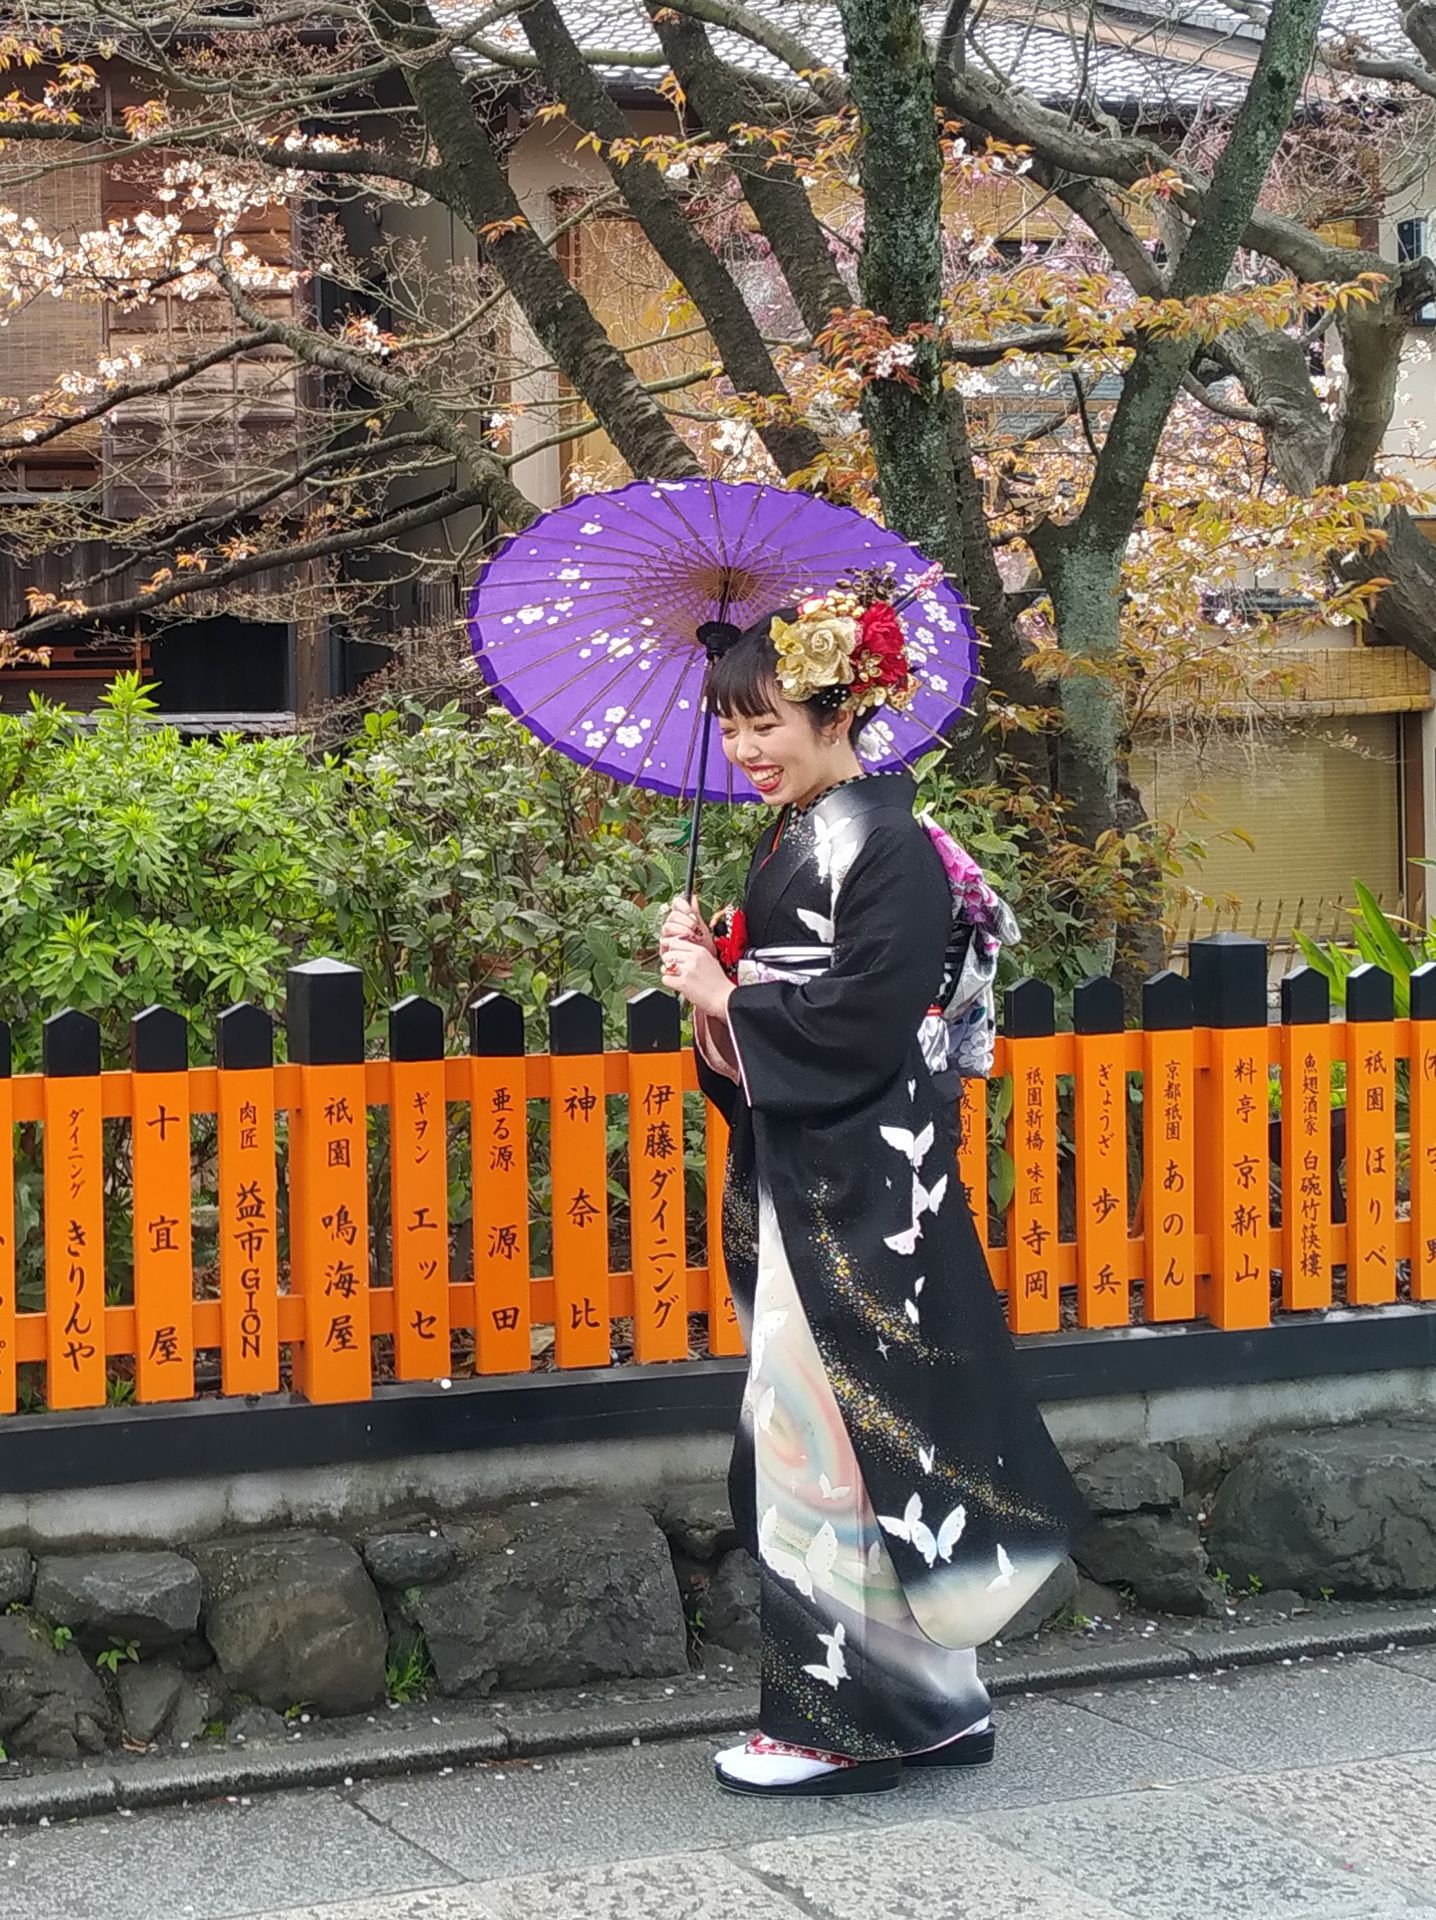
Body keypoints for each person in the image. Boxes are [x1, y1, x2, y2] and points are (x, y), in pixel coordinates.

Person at [658, 580, 1086, 1801]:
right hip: (822, 1175)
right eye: (729, 727)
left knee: (824, 1445)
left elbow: (862, 1022)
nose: (744, 749)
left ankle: (835, 1726)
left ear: (837, 711)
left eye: (765, 723)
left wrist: (727, 995)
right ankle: (933, 1708)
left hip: (859, 1189)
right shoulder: (801, 836)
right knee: (851, 1435)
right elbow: (800, 1014)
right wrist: (718, 978)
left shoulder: (883, 842)